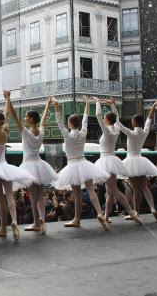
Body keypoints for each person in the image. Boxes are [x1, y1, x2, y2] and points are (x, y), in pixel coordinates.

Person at [0, 88, 35, 240]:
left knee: (0, 199)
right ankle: (14, 221)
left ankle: (3, 228)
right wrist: (8, 99)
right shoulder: (4, 131)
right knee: (10, 196)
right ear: (2, 121)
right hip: (6, 168)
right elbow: (6, 114)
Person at [51, 96, 109, 229]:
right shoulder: (83, 132)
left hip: (72, 166)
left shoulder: (67, 134)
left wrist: (56, 104)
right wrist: (87, 103)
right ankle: (100, 212)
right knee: (91, 190)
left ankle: (77, 219)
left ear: (70, 124)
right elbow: (85, 118)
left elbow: (58, 121)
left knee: (77, 195)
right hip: (84, 164)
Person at [4, 95, 57, 234]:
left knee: (33, 197)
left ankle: (36, 222)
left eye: (26, 116)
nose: (24, 118)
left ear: (32, 119)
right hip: (39, 164)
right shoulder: (41, 132)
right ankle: (42, 220)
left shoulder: (26, 133)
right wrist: (47, 105)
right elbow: (43, 119)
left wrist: (8, 100)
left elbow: (14, 117)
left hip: (29, 165)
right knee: (40, 196)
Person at [92, 98, 141, 225]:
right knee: (110, 192)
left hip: (105, 160)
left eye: (104, 118)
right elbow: (117, 119)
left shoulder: (107, 130)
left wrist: (97, 102)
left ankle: (131, 212)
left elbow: (97, 115)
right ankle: (107, 216)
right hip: (112, 159)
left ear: (106, 120)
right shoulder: (116, 130)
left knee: (113, 190)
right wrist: (113, 105)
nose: (102, 119)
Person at [111, 101, 157, 222]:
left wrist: (113, 106)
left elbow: (117, 123)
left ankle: (136, 212)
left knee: (135, 189)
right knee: (144, 187)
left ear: (135, 122)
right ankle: (153, 208)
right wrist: (153, 107)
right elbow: (149, 118)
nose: (131, 121)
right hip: (141, 160)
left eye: (133, 120)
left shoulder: (131, 132)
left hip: (131, 162)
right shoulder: (144, 132)